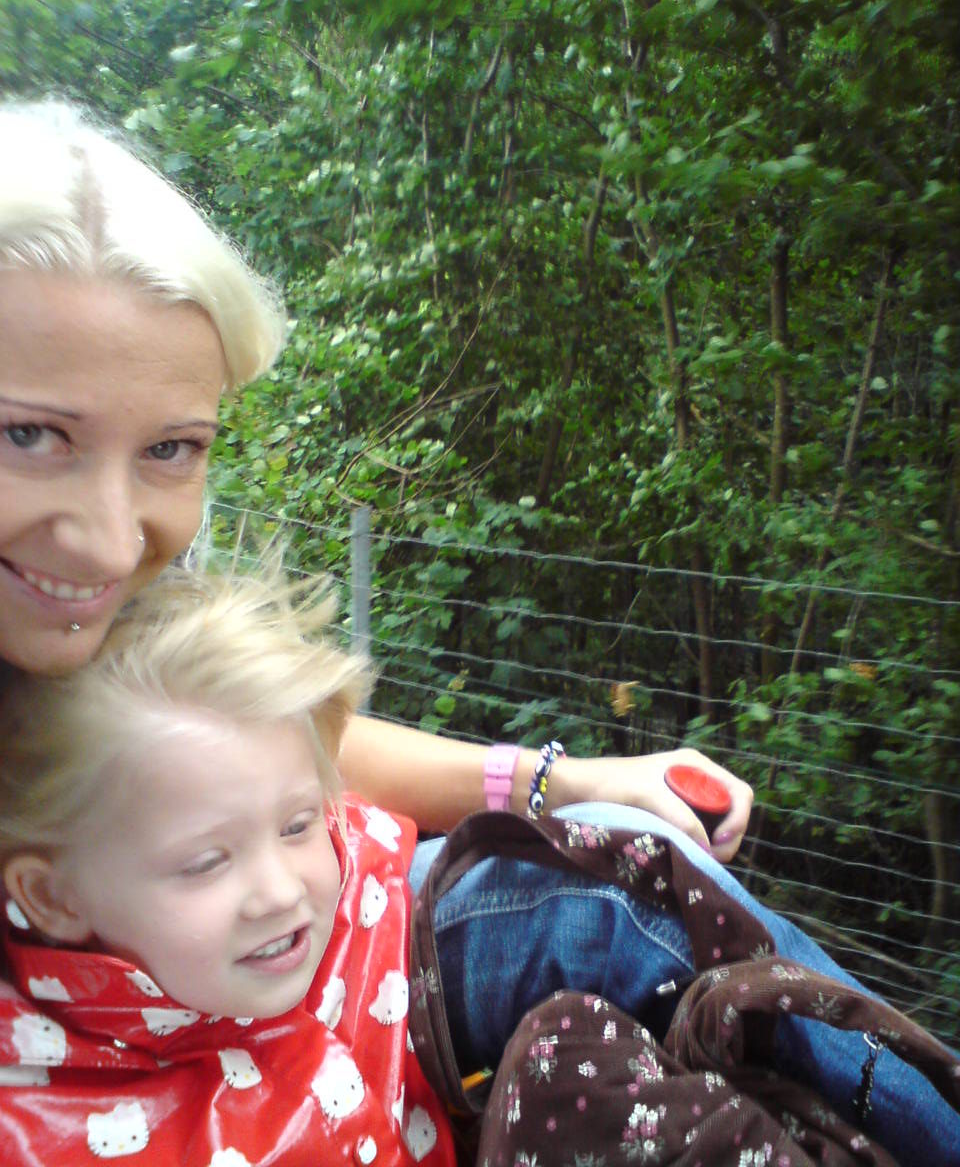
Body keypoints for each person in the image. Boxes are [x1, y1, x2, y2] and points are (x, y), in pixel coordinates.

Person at [0, 98, 955, 1165]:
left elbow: (271, 747)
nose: (109, 538)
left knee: (626, 884)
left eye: (172, 449)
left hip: (344, 970)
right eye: (28, 434)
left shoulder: (103, 605)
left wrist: (563, 781)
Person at [0, 564, 455, 1166]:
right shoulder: (37, 1125)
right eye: (206, 863)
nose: (281, 891)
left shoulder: (368, 909)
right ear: (53, 897)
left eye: (298, 825)